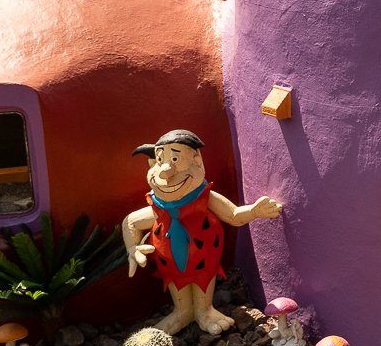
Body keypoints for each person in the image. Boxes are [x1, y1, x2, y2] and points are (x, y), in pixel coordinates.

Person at [121, 128, 282, 334]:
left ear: (197, 161)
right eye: (160, 160)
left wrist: (255, 211)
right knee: (177, 284)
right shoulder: (158, 207)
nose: (165, 171)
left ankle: (204, 311)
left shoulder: (204, 197)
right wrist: (132, 248)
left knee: (203, 281)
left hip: (204, 261)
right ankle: (183, 312)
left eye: (176, 158)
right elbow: (131, 222)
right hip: (169, 265)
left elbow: (232, 215)